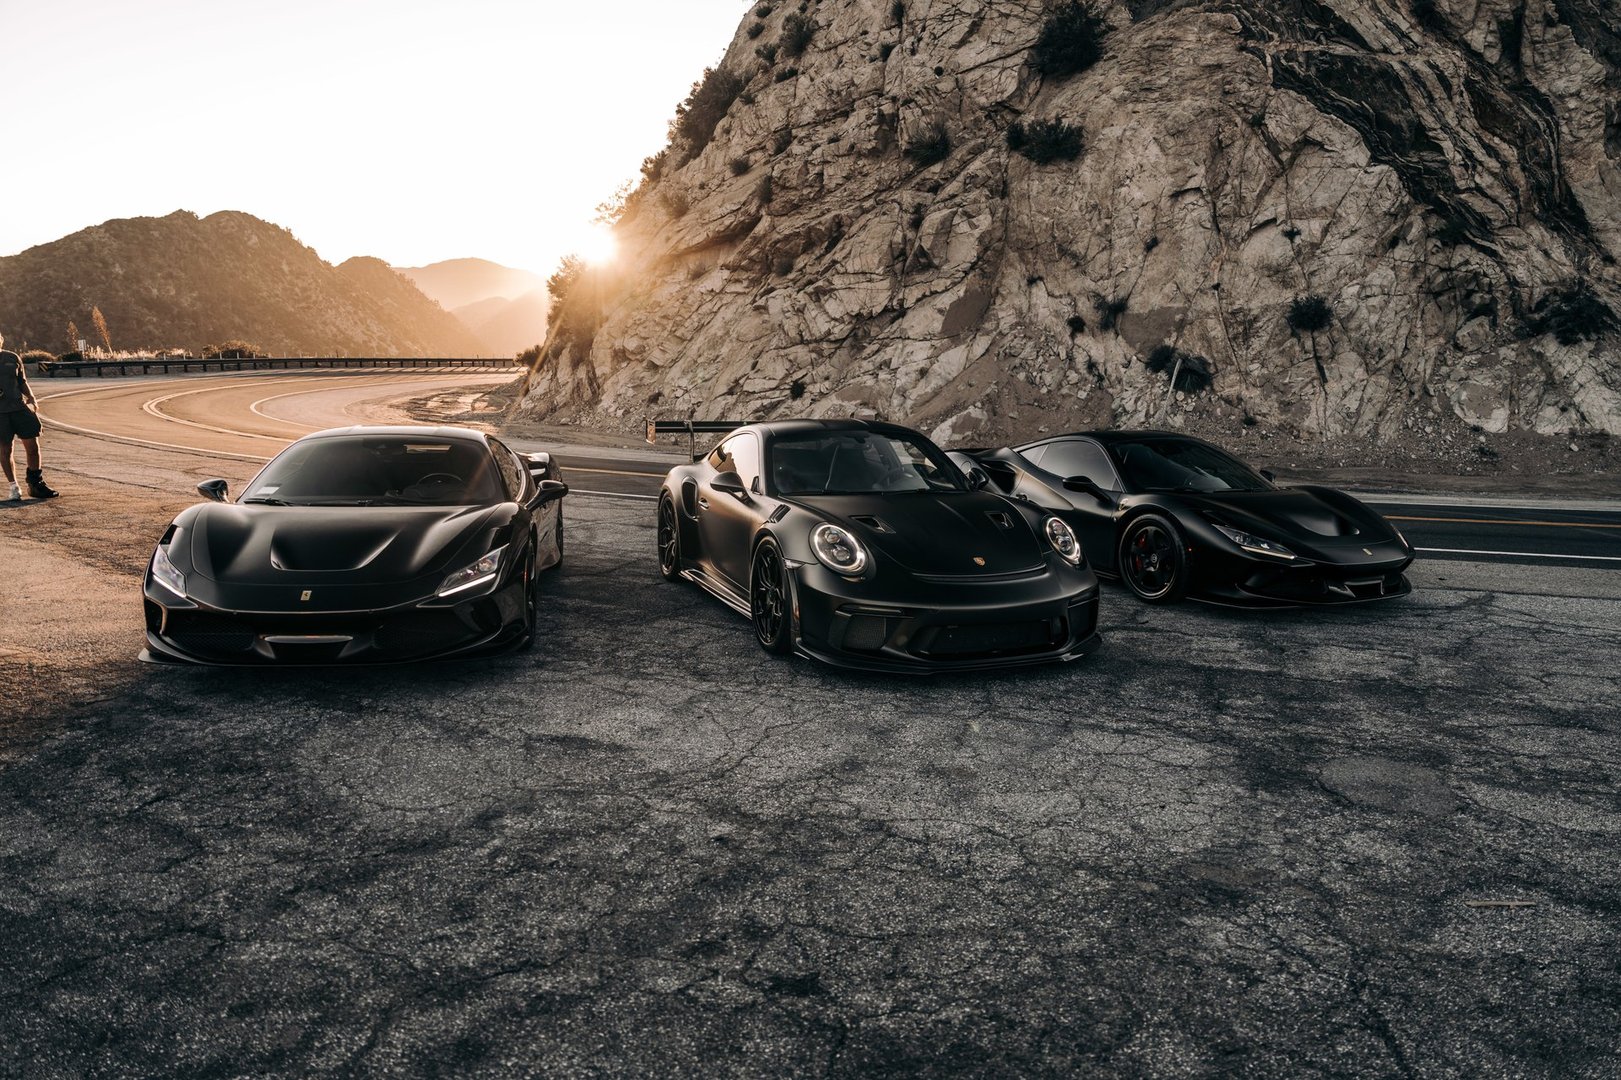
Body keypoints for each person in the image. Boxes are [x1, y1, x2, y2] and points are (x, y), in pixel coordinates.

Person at [1, 333, 58, 500]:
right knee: (5, 450)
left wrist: (31, 398)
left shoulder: (12, 357)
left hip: (20, 408)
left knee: (33, 446)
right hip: (1, 413)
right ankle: (14, 487)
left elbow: (22, 381)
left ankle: (35, 484)